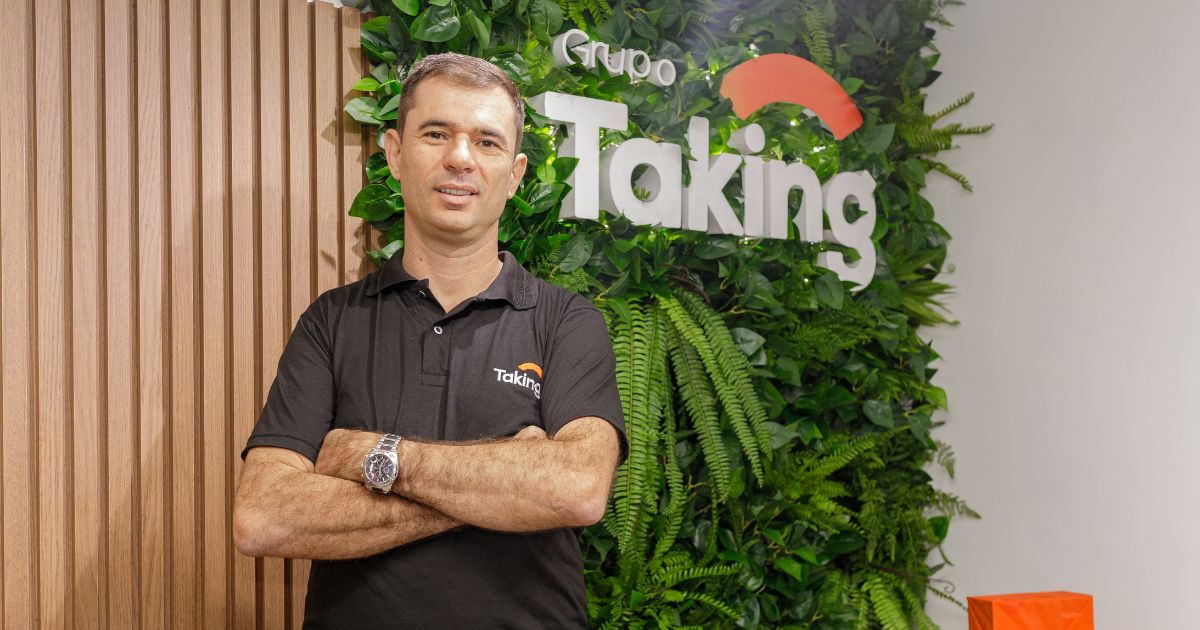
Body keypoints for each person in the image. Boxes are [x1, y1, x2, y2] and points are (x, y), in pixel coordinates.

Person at [232, 52, 629, 629]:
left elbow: (576, 489)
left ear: (515, 174)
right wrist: (505, 485)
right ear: (394, 153)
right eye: (436, 133)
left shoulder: (565, 320)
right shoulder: (331, 322)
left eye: (487, 142)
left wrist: (375, 457)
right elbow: (264, 516)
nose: (460, 158)